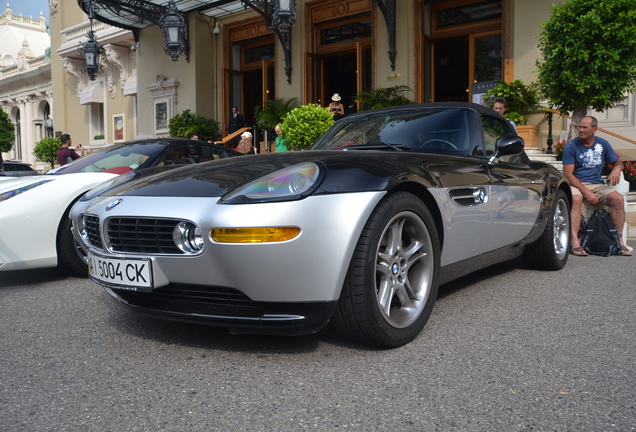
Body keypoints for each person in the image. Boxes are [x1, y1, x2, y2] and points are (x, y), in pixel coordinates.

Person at [563, 116, 631, 256]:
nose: (580, 130)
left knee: (618, 199)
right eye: (579, 127)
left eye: (584, 127)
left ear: (594, 129)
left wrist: (616, 169)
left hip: (597, 184)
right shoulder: (571, 146)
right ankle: (575, 242)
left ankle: (618, 241)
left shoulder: (603, 144)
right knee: (576, 199)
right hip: (576, 182)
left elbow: (618, 162)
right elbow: (569, 175)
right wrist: (586, 192)